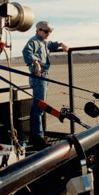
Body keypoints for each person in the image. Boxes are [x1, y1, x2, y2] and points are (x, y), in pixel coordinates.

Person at [22, 21, 69, 150]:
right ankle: (37, 138)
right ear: (38, 30)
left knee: (40, 106)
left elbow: (52, 45)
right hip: (39, 76)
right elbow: (26, 52)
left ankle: (38, 135)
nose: (48, 33)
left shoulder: (44, 42)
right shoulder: (34, 41)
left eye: (50, 31)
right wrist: (36, 62)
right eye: (46, 31)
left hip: (44, 76)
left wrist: (61, 44)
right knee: (39, 107)